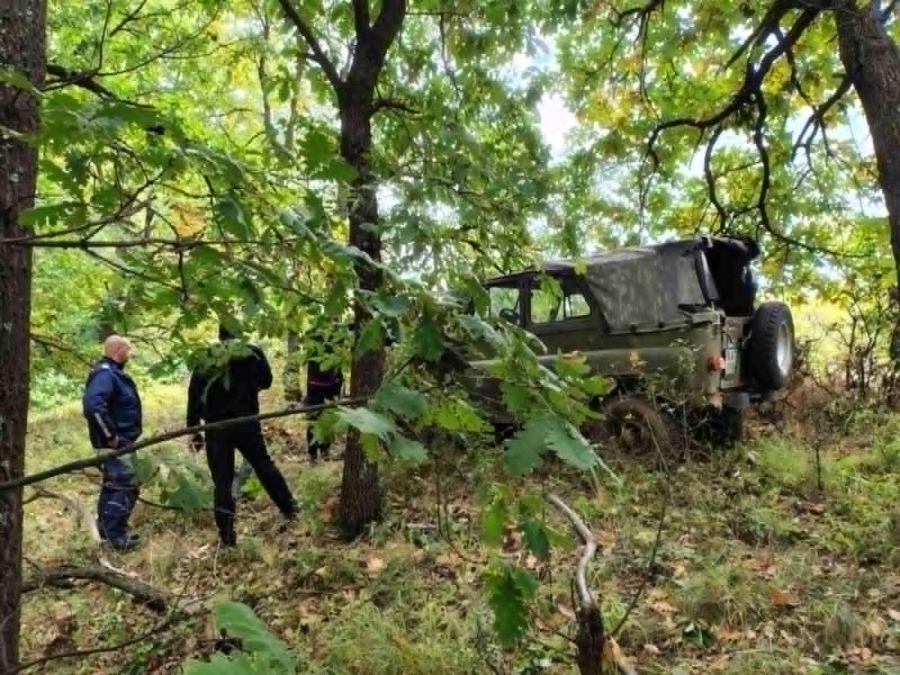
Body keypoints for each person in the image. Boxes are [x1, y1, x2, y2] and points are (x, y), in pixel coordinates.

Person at [186, 324, 298, 548]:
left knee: (222, 481)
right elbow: (266, 381)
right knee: (263, 465)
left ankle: (226, 536)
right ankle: (290, 508)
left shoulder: (206, 358)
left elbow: (194, 395)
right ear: (238, 333)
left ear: (219, 335)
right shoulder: (252, 353)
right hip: (246, 421)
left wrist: (193, 429)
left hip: (216, 427)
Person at [82, 335, 143, 551]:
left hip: (124, 442)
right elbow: (93, 406)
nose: (130, 355)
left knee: (114, 485)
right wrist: (110, 436)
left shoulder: (111, 374)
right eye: (128, 350)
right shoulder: (105, 373)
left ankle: (106, 530)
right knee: (124, 485)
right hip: (116, 445)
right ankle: (116, 536)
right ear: (118, 350)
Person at [304, 323, 351, 463]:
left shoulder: (317, 352)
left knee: (318, 422)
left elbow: (338, 375)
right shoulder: (321, 352)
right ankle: (318, 452)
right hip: (323, 392)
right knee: (319, 422)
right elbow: (338, 375)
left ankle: (318, 453)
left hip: (320, 392)